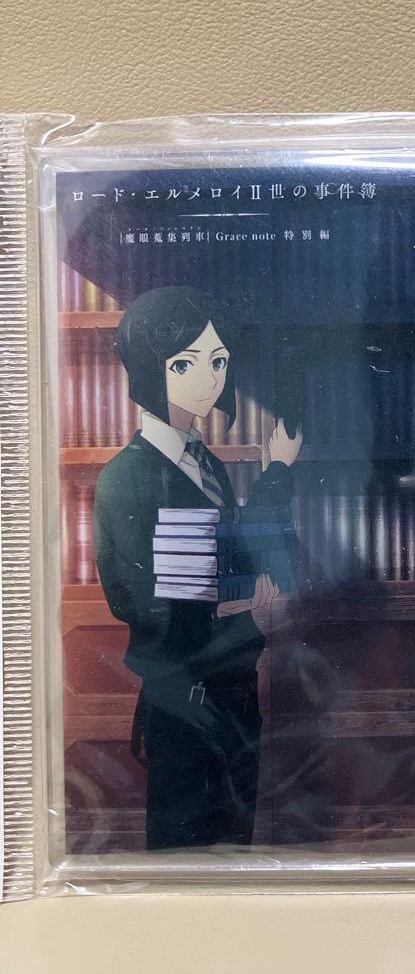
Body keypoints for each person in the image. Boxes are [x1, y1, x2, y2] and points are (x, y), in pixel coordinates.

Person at [93, 286, 303, 850]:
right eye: (185, 364)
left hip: (232, 690)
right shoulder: (128, 479)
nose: (209, 379)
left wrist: (275, 475)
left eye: (219, 361)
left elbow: (236, 564)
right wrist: (244, 605)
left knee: (234, 848)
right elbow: (158, 604)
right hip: (185, 697)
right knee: (184, 862)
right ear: (148, 369)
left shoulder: (204, 463)